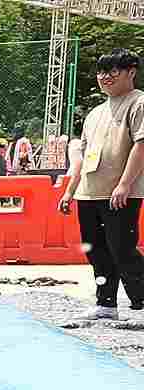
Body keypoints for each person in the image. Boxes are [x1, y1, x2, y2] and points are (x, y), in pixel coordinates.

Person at [58, 51, 144, 325]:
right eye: (101, 72)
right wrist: (70, 190)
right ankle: (106, 303)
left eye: (113, 71)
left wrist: (124, 183)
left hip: (119, 192)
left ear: (131, 72)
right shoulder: (95, 112)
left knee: (122, 249)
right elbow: (82, 156)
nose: (105, 77)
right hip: (89, 191)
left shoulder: (139, 102)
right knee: (95, 249)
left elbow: (141, 145)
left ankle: (141, 302)